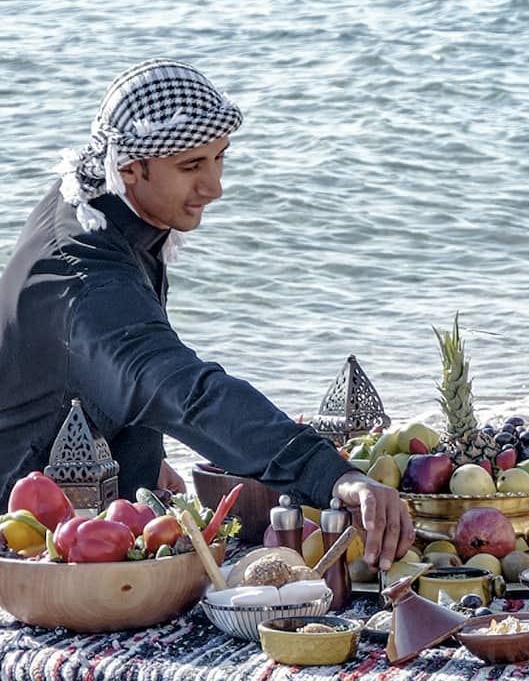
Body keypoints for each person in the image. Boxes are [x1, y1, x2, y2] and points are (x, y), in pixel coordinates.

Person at [0, 61, 412, 569]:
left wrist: (145, 462)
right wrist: (332, 474)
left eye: (219, 158)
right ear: (130, 166)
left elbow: (110, 373)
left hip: (91, 506)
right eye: (192, 166)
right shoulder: (89, 277)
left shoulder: (98, 204)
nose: (214, 186)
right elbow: (187, 391)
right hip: (29, 539)